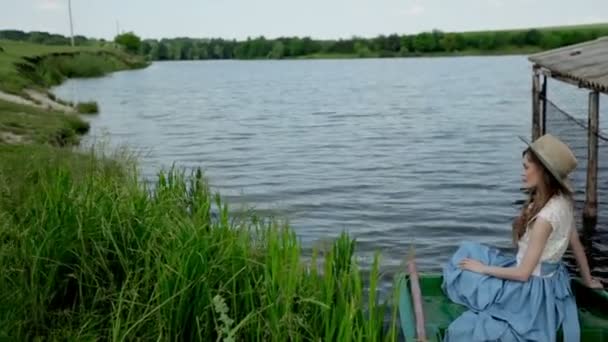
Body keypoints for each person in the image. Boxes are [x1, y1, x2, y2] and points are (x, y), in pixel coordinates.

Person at [442, 134, 603, 342]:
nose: (522, 173)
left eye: (526, 167)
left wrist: (482, 269)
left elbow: (523, 274)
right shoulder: (563, 201)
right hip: (552, 281)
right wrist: (588, 280)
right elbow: (576, 245)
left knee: (465, 275)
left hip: (531, 291)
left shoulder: (545, 219)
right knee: (468, 251)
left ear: (543, 172)